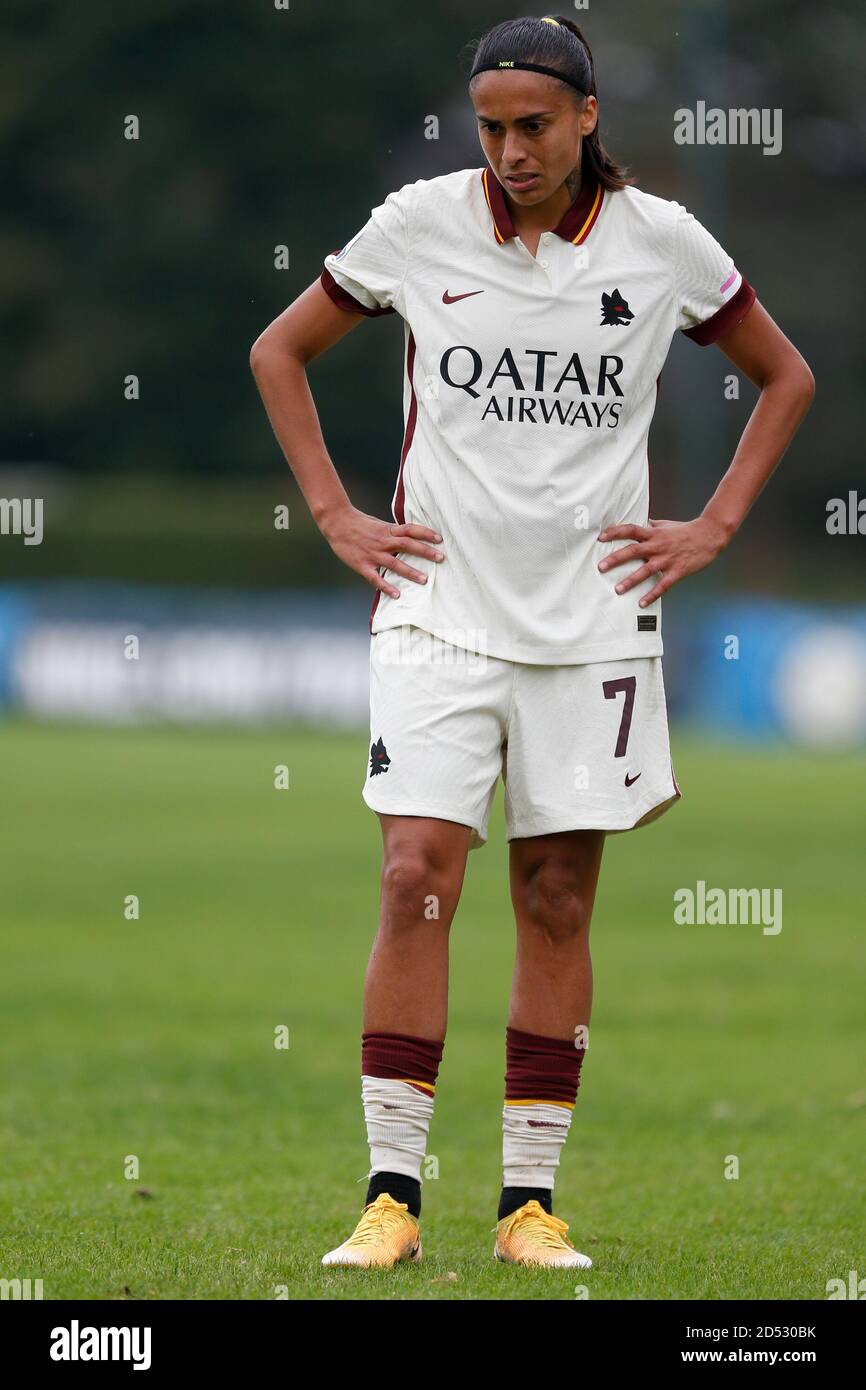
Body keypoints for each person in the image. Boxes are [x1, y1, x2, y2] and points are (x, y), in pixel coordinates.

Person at [250, 14, 814, 1270]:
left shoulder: (663, 243)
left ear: (586, 118)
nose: (506, 150)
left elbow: (784, 376)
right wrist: (336, 513)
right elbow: (277, 350)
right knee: (414, 877)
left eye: (531, 126)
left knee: (554, 899)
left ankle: (524, 1209)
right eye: (490, 126)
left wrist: (711, 524)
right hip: (437, 611)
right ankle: (390, 1197)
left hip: (594, 626)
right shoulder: (416, 224)